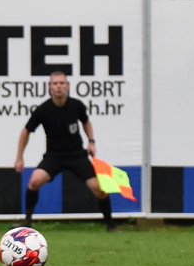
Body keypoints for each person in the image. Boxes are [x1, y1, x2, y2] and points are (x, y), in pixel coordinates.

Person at [15, 71, 118, 232]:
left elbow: (86, 122)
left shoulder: (76, 105)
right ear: (50, 87)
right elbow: (26, 131)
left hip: (77, 155)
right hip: (54, 156)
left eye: (62, 83)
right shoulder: (43, 110)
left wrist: (91, 141)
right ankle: (27, 221)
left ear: (67, 86)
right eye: (55, 83)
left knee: (99, 189)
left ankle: (110, 225)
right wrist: (19, 157)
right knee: (34, 182)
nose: (59, 87)